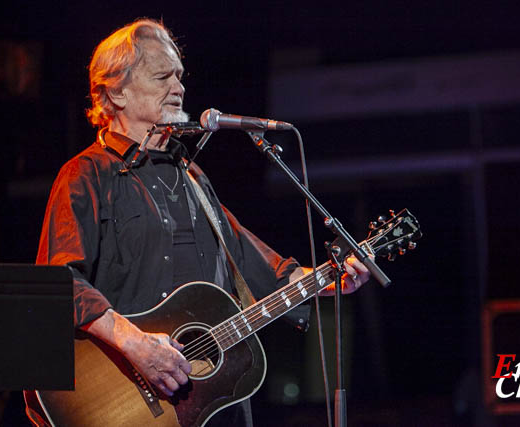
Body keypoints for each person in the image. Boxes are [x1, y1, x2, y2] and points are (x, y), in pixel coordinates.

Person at [25, 18, 370, 426]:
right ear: (116, 91)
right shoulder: (85, 175)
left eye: (180, 75)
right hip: (120, 405)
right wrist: (136, 345)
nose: (180, 87)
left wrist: (330, 278)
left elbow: (262, 270)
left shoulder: (193, 177)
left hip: (207, 409)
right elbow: (59, 282)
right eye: (162, 76)